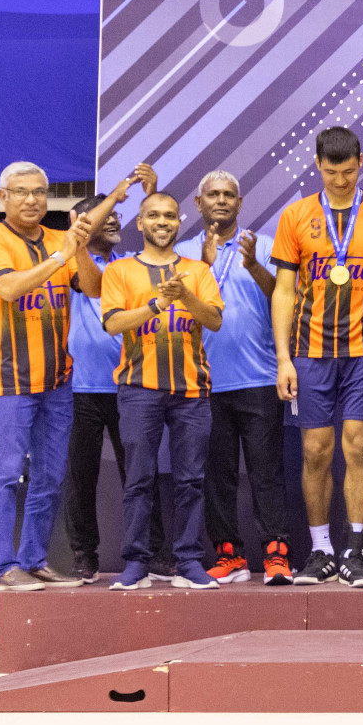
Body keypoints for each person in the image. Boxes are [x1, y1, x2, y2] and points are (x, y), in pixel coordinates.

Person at [0, 162, 139, 591]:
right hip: (10, 380)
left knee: (49, 477)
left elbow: (95, 287)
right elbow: (9, 289)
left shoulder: (56, 240)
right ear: (3, 196)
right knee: (7, 475)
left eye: (39, 192)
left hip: (59, 381)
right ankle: (4, 567)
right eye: (21, 191)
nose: (31, 199)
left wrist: (79, 250)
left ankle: (35, 558)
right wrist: (62, 255)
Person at [271, 126, 363, 587]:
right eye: (331, 172)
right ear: (317, 166)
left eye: (348, 171)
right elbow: (284, 290)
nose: (341, 180)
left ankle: (356, 552)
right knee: (314, 451)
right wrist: (284, 359)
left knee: (359, 447)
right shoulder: (296, 215)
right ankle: (321, 550)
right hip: (309, 352)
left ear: (362, 162)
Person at [100, 192, 225, 591]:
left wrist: (184, 296)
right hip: (139, 389)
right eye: (153, 215)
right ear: (140, 223)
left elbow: (215, 321)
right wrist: (156, 305)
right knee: (138, 478)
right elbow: (113, 324)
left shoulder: (197, 271)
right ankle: (137, 563)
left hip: (191, 389)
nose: (162, 221)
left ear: (178, 222)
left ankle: (188, 560)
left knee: (191, 480)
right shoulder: (119, 271)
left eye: (170, 216)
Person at [175, 170, 291, 584]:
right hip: (202, 381)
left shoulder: (265, 245)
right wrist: (203, 265)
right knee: (216, 474)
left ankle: (276, 554)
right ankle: (229, 556)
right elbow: (177, 308)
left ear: (240, 204)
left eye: (229, 195)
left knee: (267, 471)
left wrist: (255, 265)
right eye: (213, 194)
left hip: (259, 378)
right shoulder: (183, 252)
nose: (221, 200)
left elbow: (284, 296)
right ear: (198, 203)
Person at [63, 190, 173, 583]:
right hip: (80, 390)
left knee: (140, 474)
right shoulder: (68, 261)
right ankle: (83, 555)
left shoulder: (129, 264)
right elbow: (89, 283)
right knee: (81, 477)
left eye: (115, 216)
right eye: (100, 216)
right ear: (80, 223)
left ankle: (156, 552)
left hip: (130, 386)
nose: (112, 220)